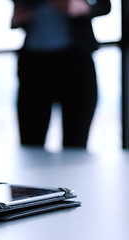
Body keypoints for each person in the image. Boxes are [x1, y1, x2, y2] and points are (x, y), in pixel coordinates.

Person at [11, 0, 111, 148]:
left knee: (76, 145)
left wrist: (82, 7)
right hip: (34, 65)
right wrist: (18, 17)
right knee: (31, 145)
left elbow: (104, 5)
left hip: (75, 63)